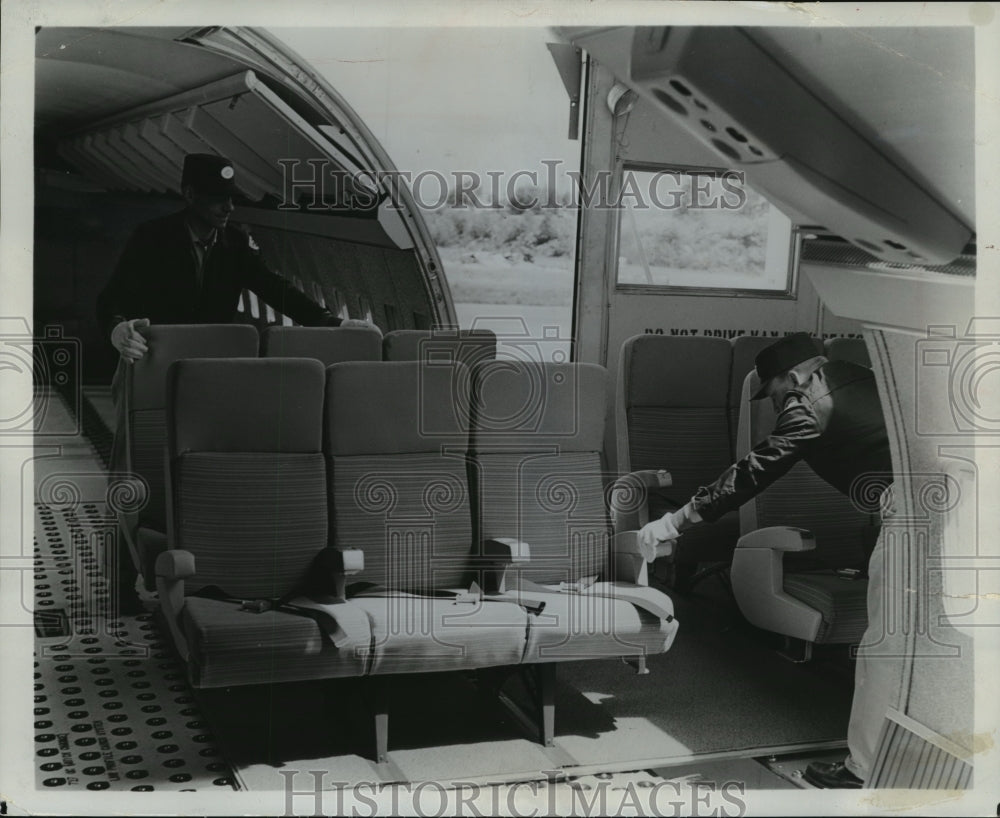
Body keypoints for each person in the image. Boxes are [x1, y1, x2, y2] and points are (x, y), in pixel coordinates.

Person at [638, 332, 892, 789]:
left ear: (793, 376)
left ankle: (865, 770)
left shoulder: (807, 404)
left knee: (886, 647)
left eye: (773, 392)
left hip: (919, 514)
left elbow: (755, 469)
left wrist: (676, 521)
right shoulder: (862, 377)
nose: (775, 403)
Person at [97, 152, 375, 362]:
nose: (229, 207)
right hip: (152, 357)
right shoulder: (152, 237)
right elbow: (112, 297)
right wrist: (117, 330)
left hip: (207, 362)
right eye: (219, 198)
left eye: (232, 198)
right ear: (190, 195)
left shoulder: (236, 243)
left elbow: (276, 288)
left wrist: (333, 322)